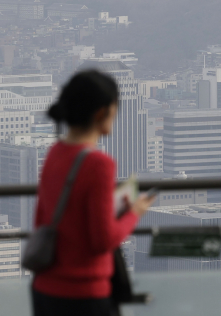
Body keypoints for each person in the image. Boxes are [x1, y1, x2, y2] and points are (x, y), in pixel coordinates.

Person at [31, 69, 156, 316]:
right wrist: (134, 213)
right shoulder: (99, 164)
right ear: (102, 112)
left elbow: (42, 220)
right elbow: (103, 240)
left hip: (45, 289)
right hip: (84, 294)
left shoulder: (55, 153)